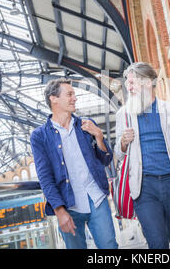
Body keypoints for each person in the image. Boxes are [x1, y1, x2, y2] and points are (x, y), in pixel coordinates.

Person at [114, 62, 170, 249]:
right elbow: (118, 155)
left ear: (147, 83)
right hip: (144, 188)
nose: (128, 88)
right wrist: (123, 143)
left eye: (132, 83)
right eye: (127, 83)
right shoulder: (124, 114)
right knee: (157, 243)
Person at [30, 78, 118, 249]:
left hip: (96, 199)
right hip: (68, 205)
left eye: (74, 94)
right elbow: (45, 177)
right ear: (53, 99)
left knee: (110, 247)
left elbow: (106, 159)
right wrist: (59, 210)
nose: (75, 98)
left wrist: (99, 136)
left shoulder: (85, 125)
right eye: (69, 94)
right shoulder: (40, 136)